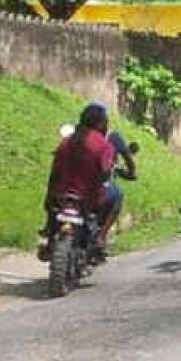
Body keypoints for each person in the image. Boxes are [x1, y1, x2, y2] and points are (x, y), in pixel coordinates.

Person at [40, 103, 132, 259]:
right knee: (117, 195)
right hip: (89, 197)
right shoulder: (104, 145)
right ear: (101, 123)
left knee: (52, 205)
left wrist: (50, 196)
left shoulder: (67, 141)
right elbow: (104, 172)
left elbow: (54, 172)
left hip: (61, 195)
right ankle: (100, 237)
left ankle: (49, 233)